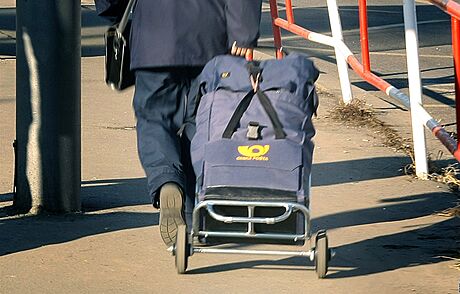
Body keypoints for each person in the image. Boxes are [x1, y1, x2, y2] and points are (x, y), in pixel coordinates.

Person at [95, 0, 262, 247]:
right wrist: (243, 32)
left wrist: (116, 13)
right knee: (204, 121)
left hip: (153, 34)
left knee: (154, 118)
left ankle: (167, 181)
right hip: (211, 35)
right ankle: (200, 215)